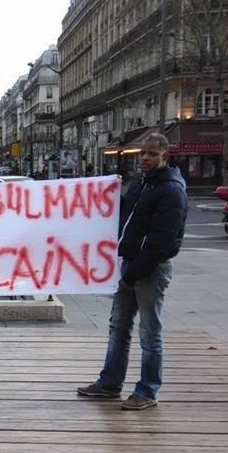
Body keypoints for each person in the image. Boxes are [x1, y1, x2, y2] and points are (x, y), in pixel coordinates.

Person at [77, 133, 187, 410]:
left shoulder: (171, 190)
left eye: (152, 154)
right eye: (143, 154)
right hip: (130, 265)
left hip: (149, 270)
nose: (146, 159)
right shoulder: (142, 184)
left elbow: (161, 242)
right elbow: (122, 214)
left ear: (165, 156)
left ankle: (148, 390)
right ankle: (110, 383)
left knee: (150, 332)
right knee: (118, 327)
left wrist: (131, 275)